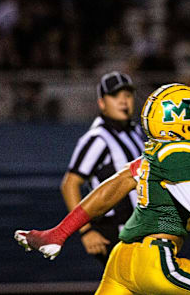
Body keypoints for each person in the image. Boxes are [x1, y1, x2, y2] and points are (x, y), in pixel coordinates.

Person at [15, 84, 190, 295]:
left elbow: (109, 190)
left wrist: (60, 232)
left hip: (121, 259)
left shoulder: (156, 153)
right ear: (183, 122)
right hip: (155, 261)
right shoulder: (182, 154)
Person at [60, 71, 145, 266]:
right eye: (115, 96)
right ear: (102, 103)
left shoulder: (136, 131)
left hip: (141, 229)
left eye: (128, 95)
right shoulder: (97, 138)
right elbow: (70, 184)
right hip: (116, 231)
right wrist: (86, 231)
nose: (123, 101)